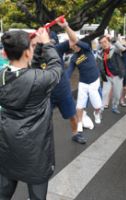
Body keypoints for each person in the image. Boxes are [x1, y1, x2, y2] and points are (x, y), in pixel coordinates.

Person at [0, 28, 62, 199]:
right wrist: (47, 44)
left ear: (5, 53)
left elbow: (27, 72)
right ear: (28, 52)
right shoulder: (40, 80)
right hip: (36, 151)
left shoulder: (2, 75)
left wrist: (38, 49)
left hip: (6, 145)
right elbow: (56, 68)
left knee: (3, 193)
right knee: (37, 195)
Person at [32, 19, 87, 144]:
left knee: (72, 115)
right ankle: (42, 140)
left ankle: (76, 134)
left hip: (63, 90)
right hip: (45, 93)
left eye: (51, 41)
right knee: (43, 120)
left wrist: (66, 27)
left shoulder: (56, 49)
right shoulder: (33, 54)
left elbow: (74, 40)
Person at [67, 39, 102, 132]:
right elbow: (69, 71)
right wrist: (63, 80)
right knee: (80, 105)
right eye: (72, 45)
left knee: (98, 106)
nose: (74, 46)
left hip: (94, 81)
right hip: (83, 83)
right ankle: (79, 123)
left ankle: (97, 113)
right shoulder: (74, 58)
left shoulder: (86, 49)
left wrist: (75, 40)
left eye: (75, 44)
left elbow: (79, 42)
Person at [97, 35, 125, 114]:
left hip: (117, 76)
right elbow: (99, 64)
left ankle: (114, 106)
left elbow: (122, 49)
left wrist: (113, 38)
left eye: (105, 41)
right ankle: (100, 109)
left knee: (117, 95)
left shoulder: (114, 49)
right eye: (101, 43)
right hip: (107, 76)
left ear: (108, 41)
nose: (104, 44)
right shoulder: (100, 53)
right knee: (104, 93)